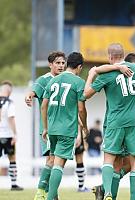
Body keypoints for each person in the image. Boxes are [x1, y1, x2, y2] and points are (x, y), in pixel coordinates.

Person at [84, 43, 135, 200]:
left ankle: (107, 193)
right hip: (134, 121)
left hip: (115, 121)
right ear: (123, 55)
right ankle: (133, 198)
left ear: (110, 57)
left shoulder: (107, 74)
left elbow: (86, 94)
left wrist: (90, 75)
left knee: (110, 159)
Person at [41, 52, 88, 200]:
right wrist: (85, 126)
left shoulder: (53, 80)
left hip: (53, 129)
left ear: (67, 63)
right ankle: (50, 197)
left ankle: (51, 196)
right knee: (58, 165)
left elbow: (44, 106)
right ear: (79, 67)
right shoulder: (79, 82)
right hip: (66, 130)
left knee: (54, 161)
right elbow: (81, 109)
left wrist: (46, 128)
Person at [25, 51, 65, 200]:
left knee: (56, 161)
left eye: (63, 63)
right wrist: (28, 96)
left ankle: (51, 193)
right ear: (50, 65)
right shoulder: (44, 80)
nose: (61, 66)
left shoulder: (66, 80)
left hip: (62, 127)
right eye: (57, 63)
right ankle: (40, 192)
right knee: (52, 160)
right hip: (48, 127)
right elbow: (32, 91)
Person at [0, 81, 23, 191]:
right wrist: (15, 134)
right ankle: (14, 184)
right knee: (12, 159)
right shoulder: (9, 102)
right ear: (9, 91)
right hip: (7, 135)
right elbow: (11, 118)